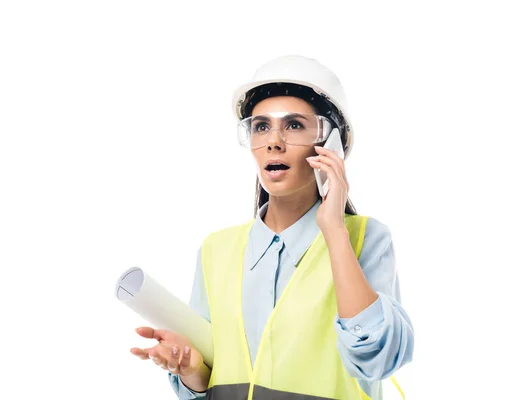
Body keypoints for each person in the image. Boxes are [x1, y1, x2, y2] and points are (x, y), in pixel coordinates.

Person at [130, 55, 414, 400]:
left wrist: (334, 229)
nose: (273, 141)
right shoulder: (216, 251)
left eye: (294, 125)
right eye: (261, 126)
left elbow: (378, 360)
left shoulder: (365, 239)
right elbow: (213, 381)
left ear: (331, 144)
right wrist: (190, 369)